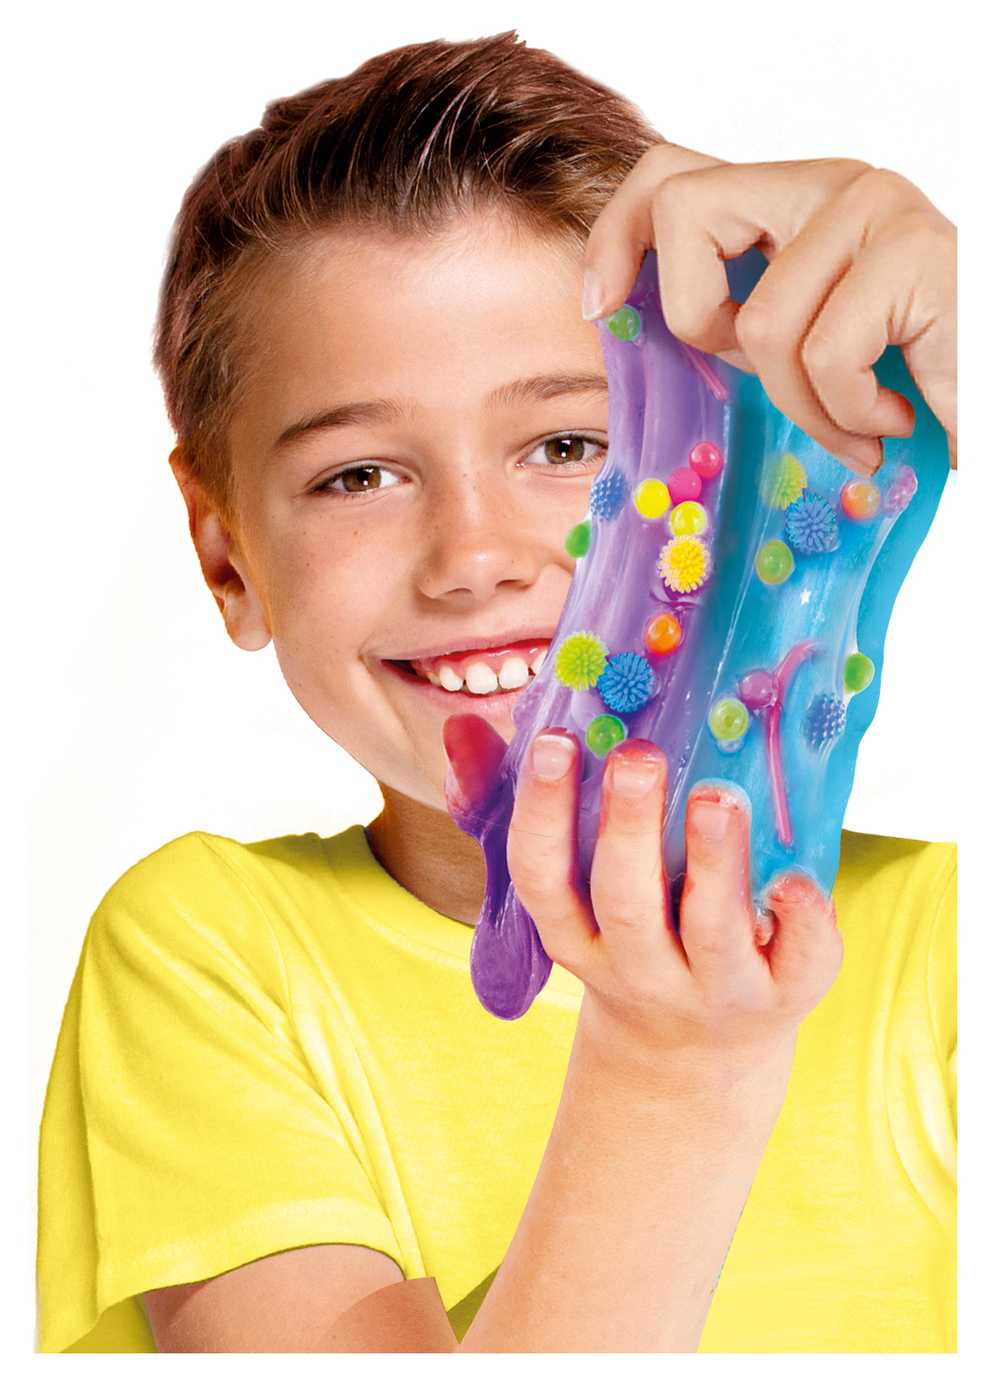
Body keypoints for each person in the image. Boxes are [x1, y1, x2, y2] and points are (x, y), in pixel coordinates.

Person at [36, 30, 957, 1353]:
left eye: (572, 442)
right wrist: (672, 1065)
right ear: (224, 549)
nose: (473, 556)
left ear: (733, 452)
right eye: (358, 473)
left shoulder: (939, 944)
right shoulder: (211, 954)